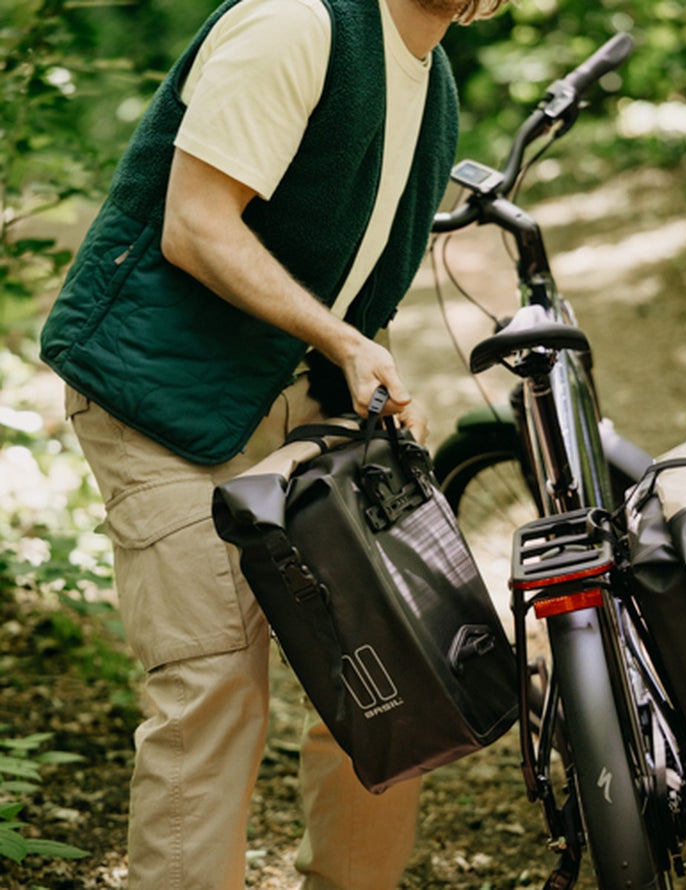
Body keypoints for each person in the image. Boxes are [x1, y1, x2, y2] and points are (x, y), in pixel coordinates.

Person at [39, 0, 508, 887]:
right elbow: (196, 224)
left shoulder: (433, 77)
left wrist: (363, 366)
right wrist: (339, 339)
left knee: (393, 671)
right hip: (168, 392)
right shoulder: (299, 21)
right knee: (211, 691)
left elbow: (348, 265)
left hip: (304, 394)